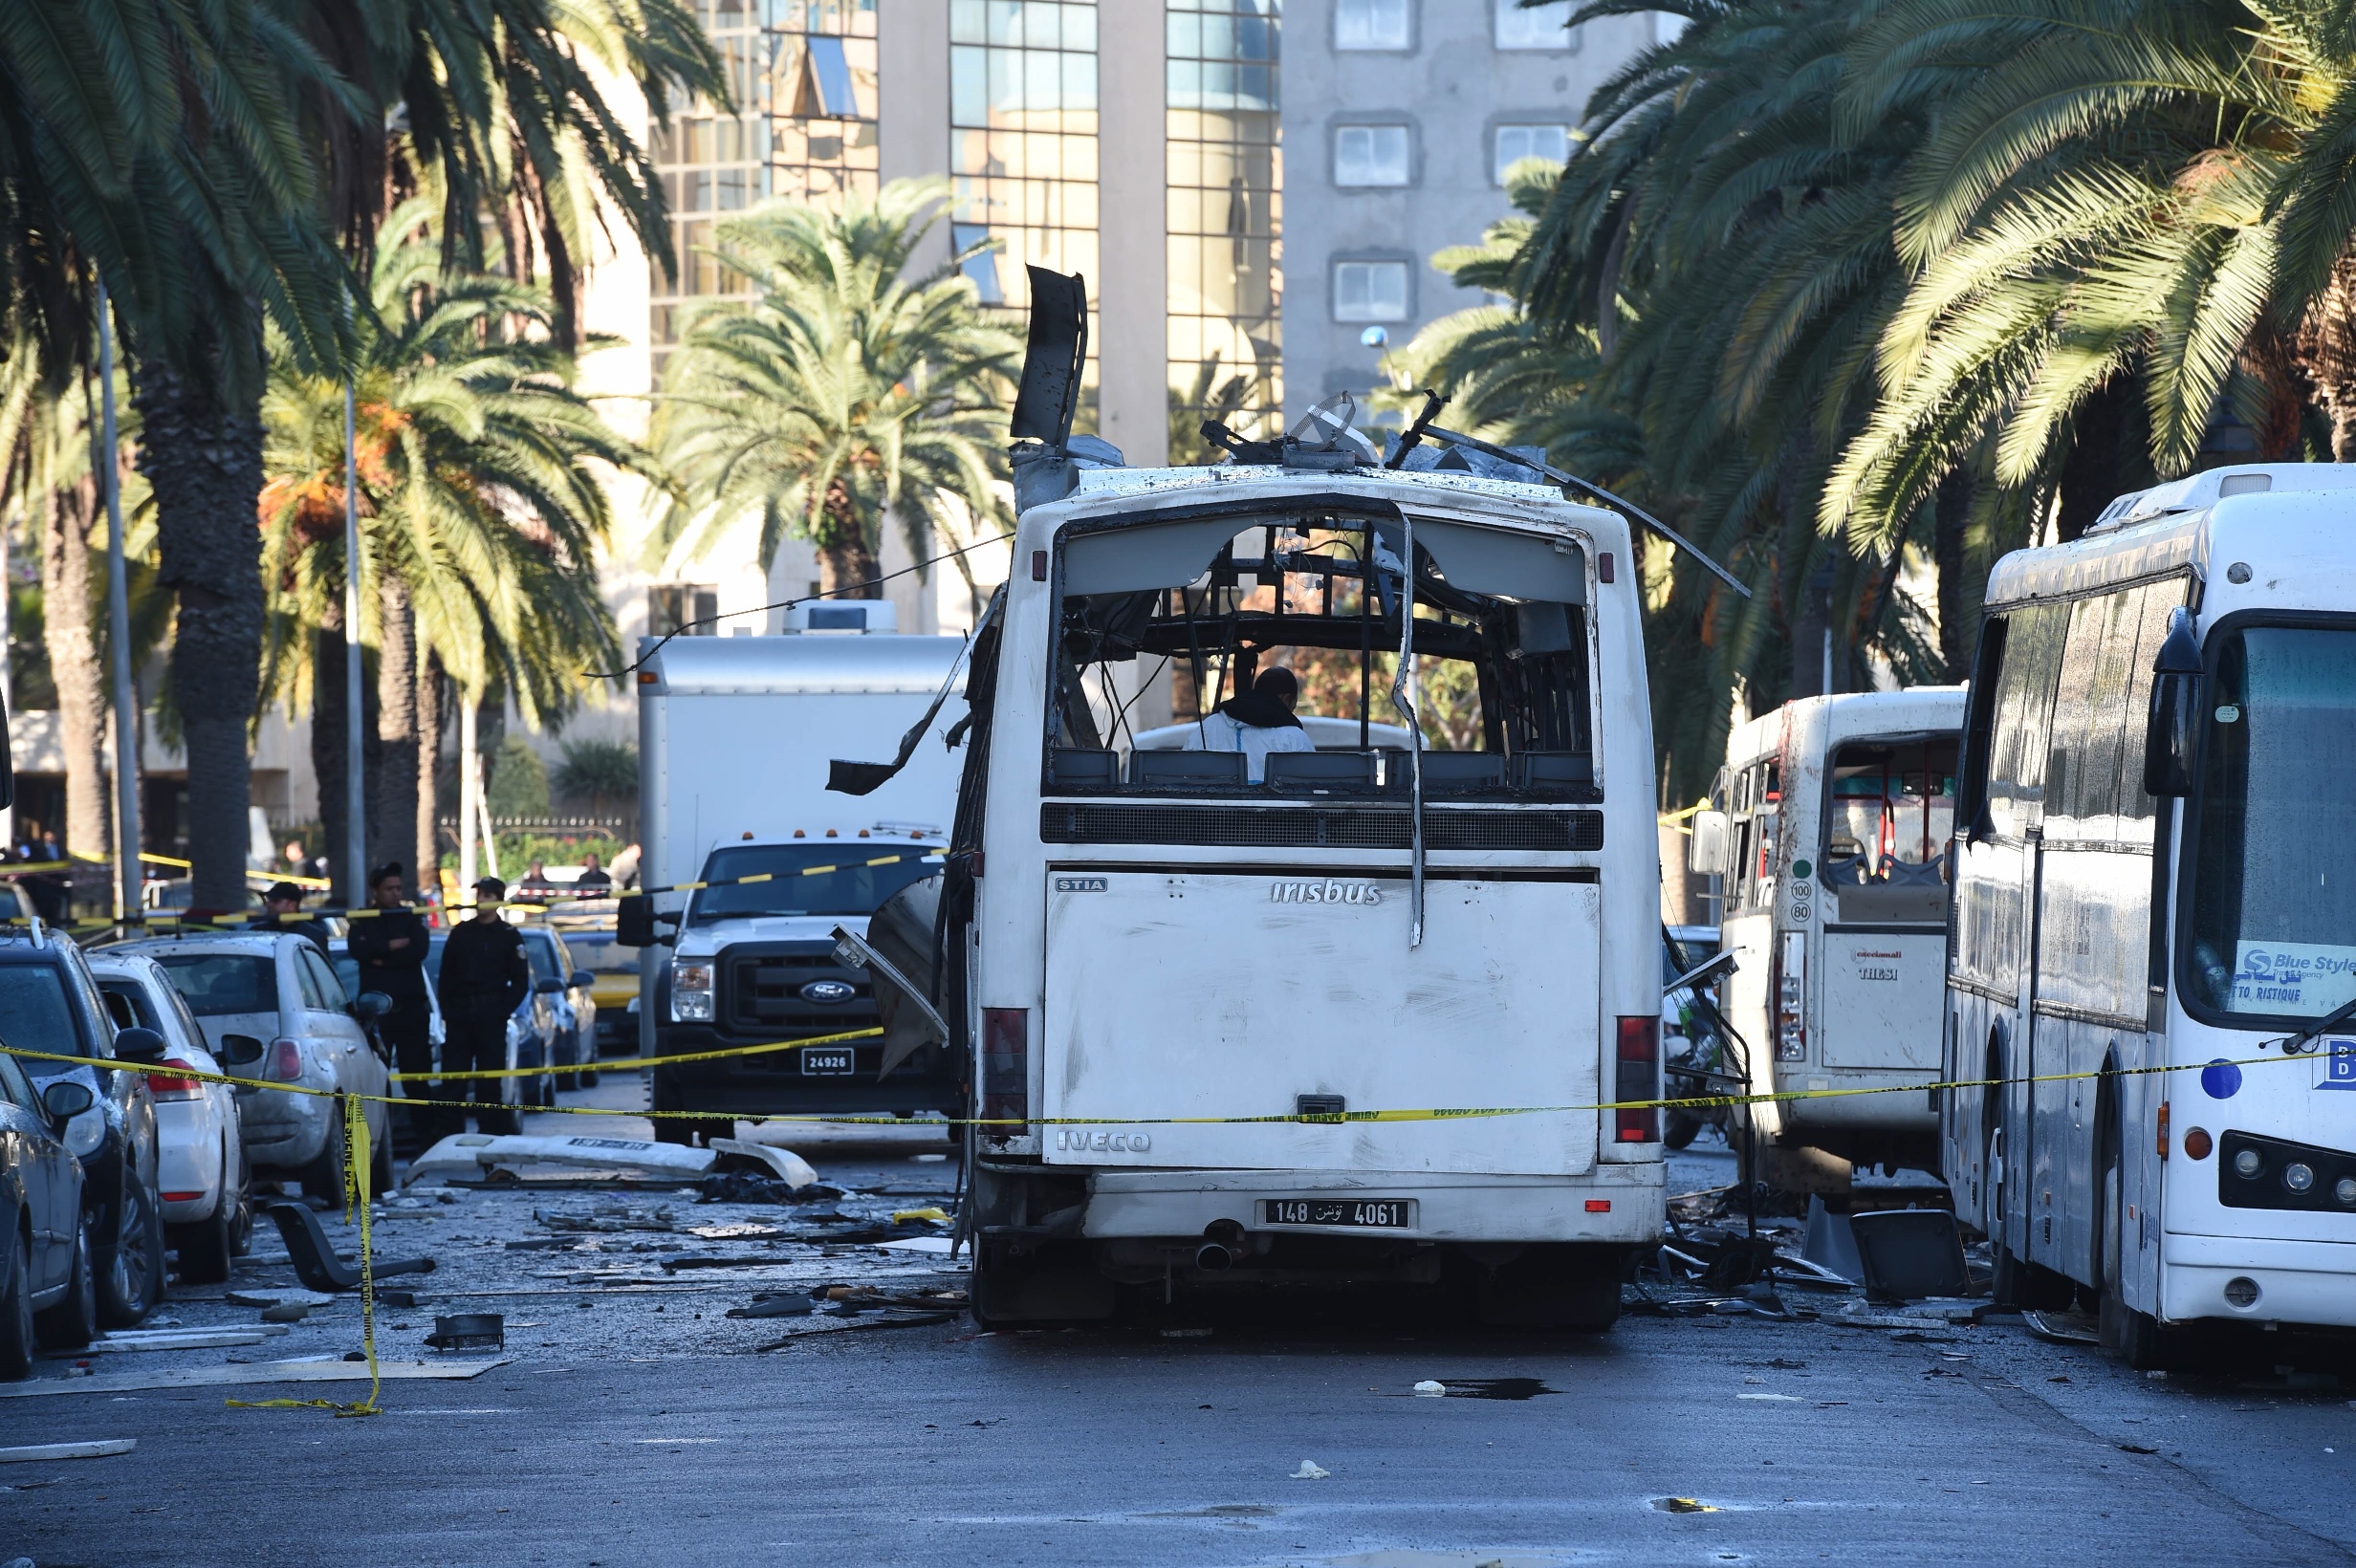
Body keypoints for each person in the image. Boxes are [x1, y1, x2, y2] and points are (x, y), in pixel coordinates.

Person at [346, 862, 435, 1142]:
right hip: (377, 1015)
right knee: (373, 1083)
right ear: (375, 891)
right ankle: (376, 1142)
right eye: (389, 889)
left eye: (398, 888)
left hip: (411, 1011)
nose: (395, 894)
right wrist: (391, 946)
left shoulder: (411, 917)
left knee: (417, 1081)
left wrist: (380, 957)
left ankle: (426, 1140)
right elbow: (358, 948)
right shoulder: (364, 919)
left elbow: (418, 951)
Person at [437, 877, 530, 1137]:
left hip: (491, 1017)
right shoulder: (462, 933)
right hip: (461, 1017)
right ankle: (451, 1137)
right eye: (480, 895)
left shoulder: (509, 936)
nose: (483, 900)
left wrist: (501, 1011)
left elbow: (521, 981)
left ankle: (490, 1138)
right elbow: (446, 978)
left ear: (499, 899)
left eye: (489, 896)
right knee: (453, 1081)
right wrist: (450, 1013)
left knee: (489, 1084)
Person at [1183, 666, 1318, 783]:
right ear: (1287, 699)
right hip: (1274, 813)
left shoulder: (1208, 727)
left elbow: (1183, 775)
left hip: (1213, 813)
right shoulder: (1294, 737)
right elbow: (1311, 788)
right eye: (1292, 708)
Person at [253, 882, 331, 955]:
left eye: (275, 901)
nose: (269, 904)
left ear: (292, 905)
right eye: (269, 900)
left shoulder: (313, 936)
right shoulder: (258, 932)